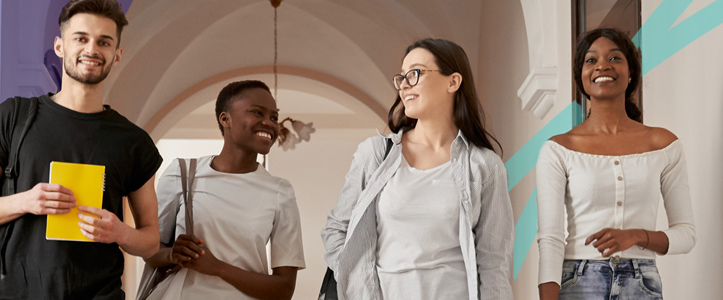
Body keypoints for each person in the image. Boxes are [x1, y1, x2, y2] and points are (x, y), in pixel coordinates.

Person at [0, 0, 162, 298]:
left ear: (117, 54)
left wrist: (121, 232)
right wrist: (26, 201)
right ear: (59, 46)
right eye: (81, 38)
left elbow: (151, 240)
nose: (92, 49)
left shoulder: (134, 142)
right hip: (16, 292)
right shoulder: (13, 117)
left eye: (104, 42)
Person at [321, 38, 514, 300]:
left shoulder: (484, 166)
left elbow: (494, 264)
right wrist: (359, 287)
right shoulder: (375, 154)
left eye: (415, 73)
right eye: (402, 77)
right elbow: (337, 230)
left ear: (453, 82)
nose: (404, 85)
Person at [536, 27, 696, 300]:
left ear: (630, 72)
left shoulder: (664, 145)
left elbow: (687, 235)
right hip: (578, 283)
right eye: (591, 60)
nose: (602, 65)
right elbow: (550, 238)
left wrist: (637, 236)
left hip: (642, 283)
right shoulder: (558, 149)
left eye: (614, 58)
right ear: (581, 77)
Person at [143, 80, 305, 300]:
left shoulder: (280, 191)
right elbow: (150, 250)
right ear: (225, 119)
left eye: (274, 117)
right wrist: (172, 254)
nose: (269, 123)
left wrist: (218, 268)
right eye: (257, 113)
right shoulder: (182, 174)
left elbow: (284, 289)